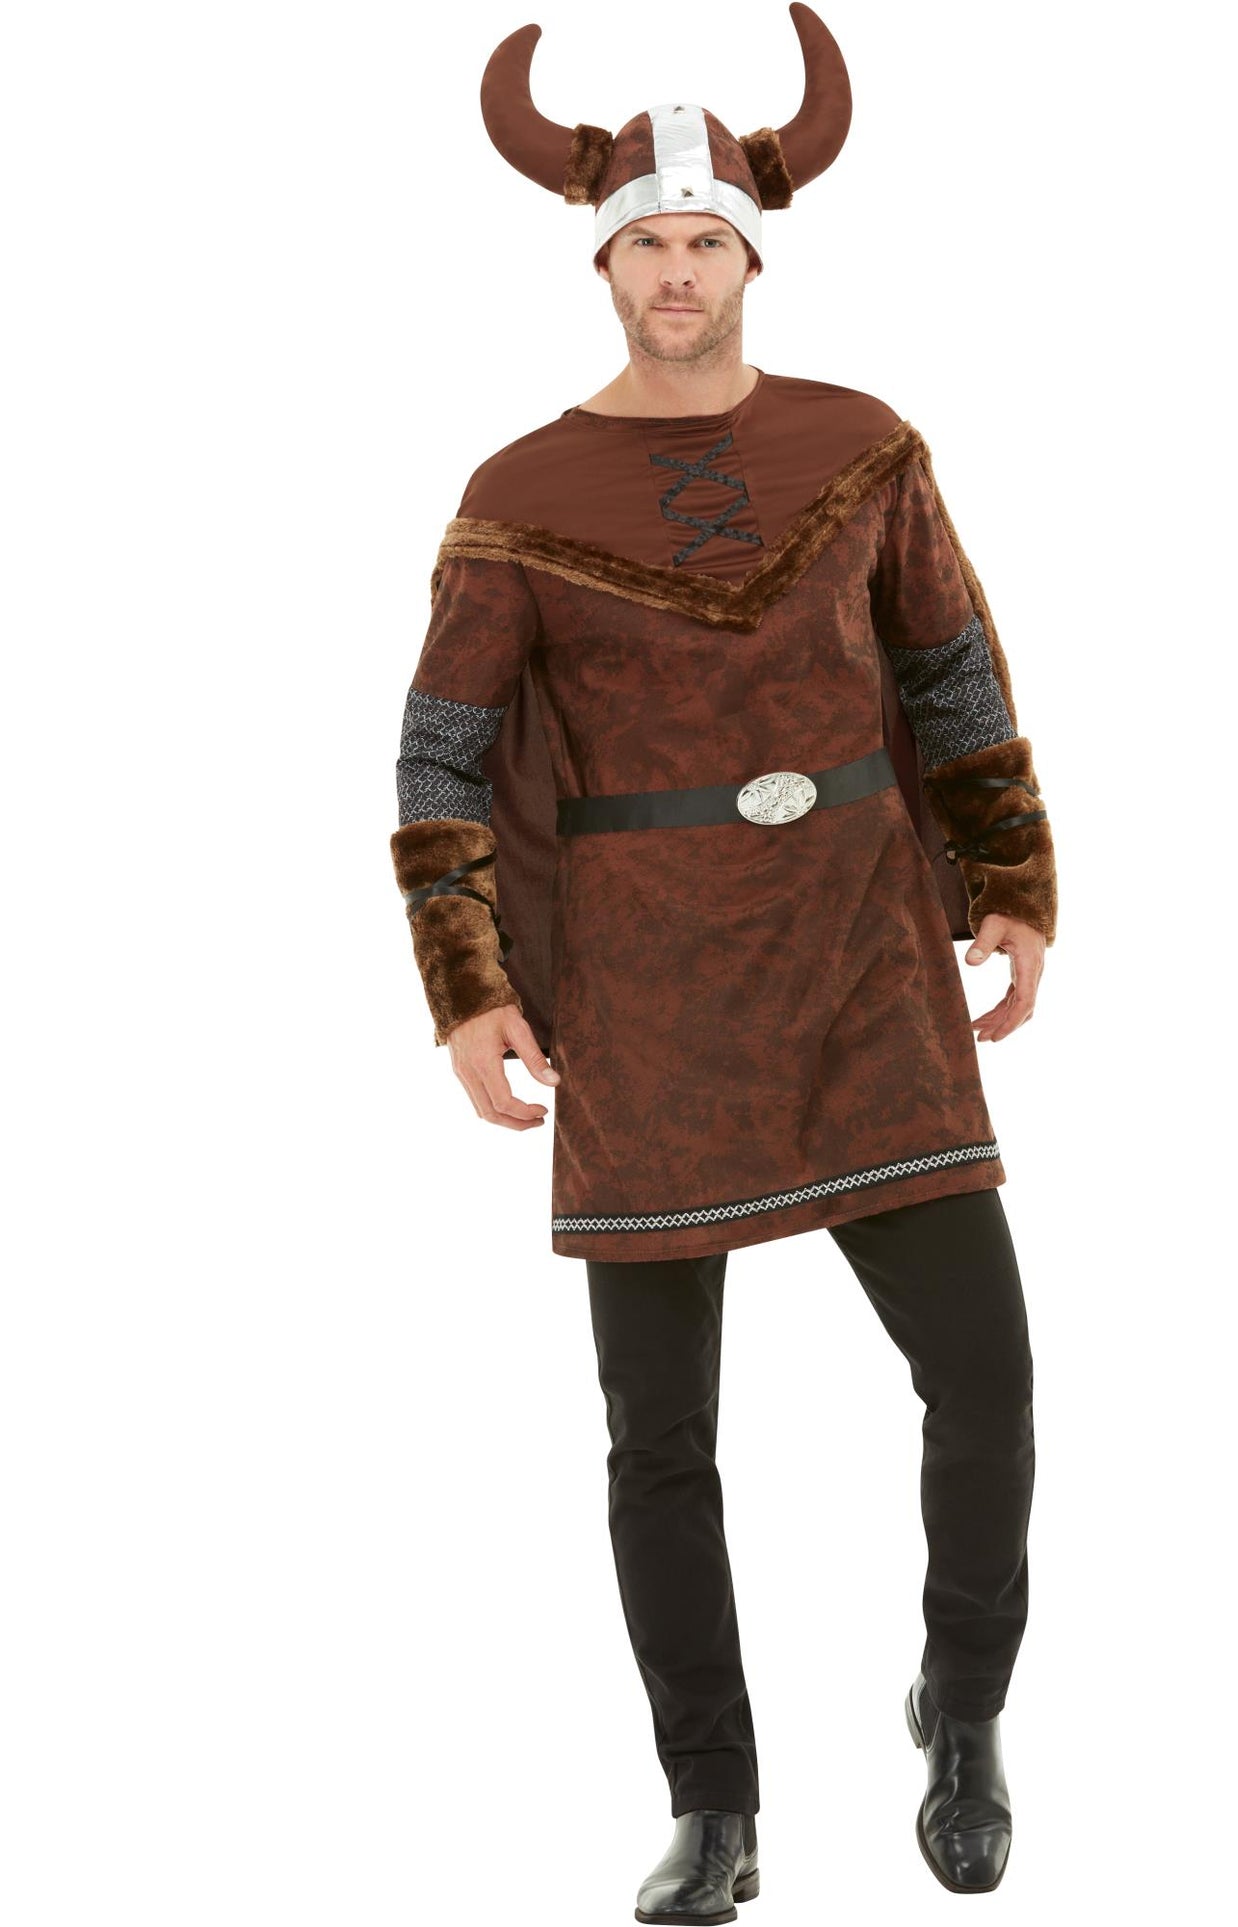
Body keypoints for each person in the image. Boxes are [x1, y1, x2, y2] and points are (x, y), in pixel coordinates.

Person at [389, 8, 1058, 1915]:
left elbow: (950, 674)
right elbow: (442, 757)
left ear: (751, 260)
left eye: (705, 243)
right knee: (660, 1439)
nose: (676, 273)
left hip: (861, 958)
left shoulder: (862, 444)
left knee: (988, 1377)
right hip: (641, 991)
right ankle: (715, 1800)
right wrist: (470, 986)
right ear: (599, 264)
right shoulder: (520, 491)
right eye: (645, 245)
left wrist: (1011, 881)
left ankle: (962, 1710)